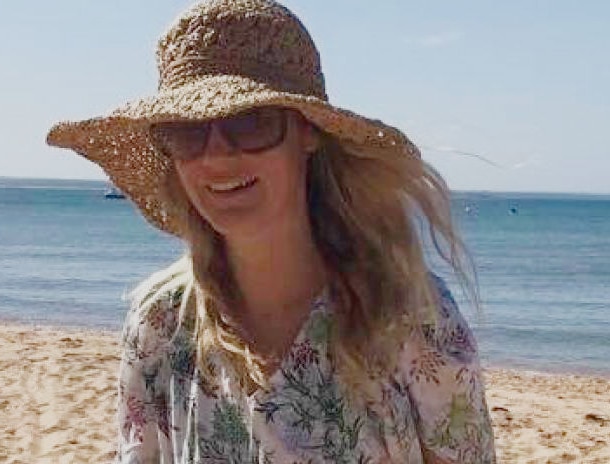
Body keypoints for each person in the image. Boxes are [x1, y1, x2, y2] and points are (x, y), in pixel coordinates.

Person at [47, 0, 496, 462]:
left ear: (309, 132)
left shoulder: (407, 314)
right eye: (187, 132)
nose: (216, 156)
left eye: (248, 122)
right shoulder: (160, 322)